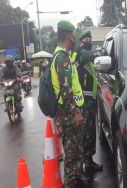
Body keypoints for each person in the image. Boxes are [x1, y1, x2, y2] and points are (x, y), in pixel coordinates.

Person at [51, 20, 85, 188]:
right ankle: (71, 182)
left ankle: (76, 178)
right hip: (69, 112)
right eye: (73, 35)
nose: (75, 38)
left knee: (75, 147)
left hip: (68, 111)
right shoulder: (62, 57)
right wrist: (77, 112)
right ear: (68, 35)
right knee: (72, 150)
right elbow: (66, 89)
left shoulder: (62, 54)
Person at [72, 31, 103, 182]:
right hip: (84, 101)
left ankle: (88, 162)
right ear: (81, 42)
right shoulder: (80, 53)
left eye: (91, 39)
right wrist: (98, 51)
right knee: (86, 133)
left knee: (90, 132)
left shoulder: (84, 55)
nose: (89, 41)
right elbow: (87, 56)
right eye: (87, 40)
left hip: (90, 100)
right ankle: (84, 164)